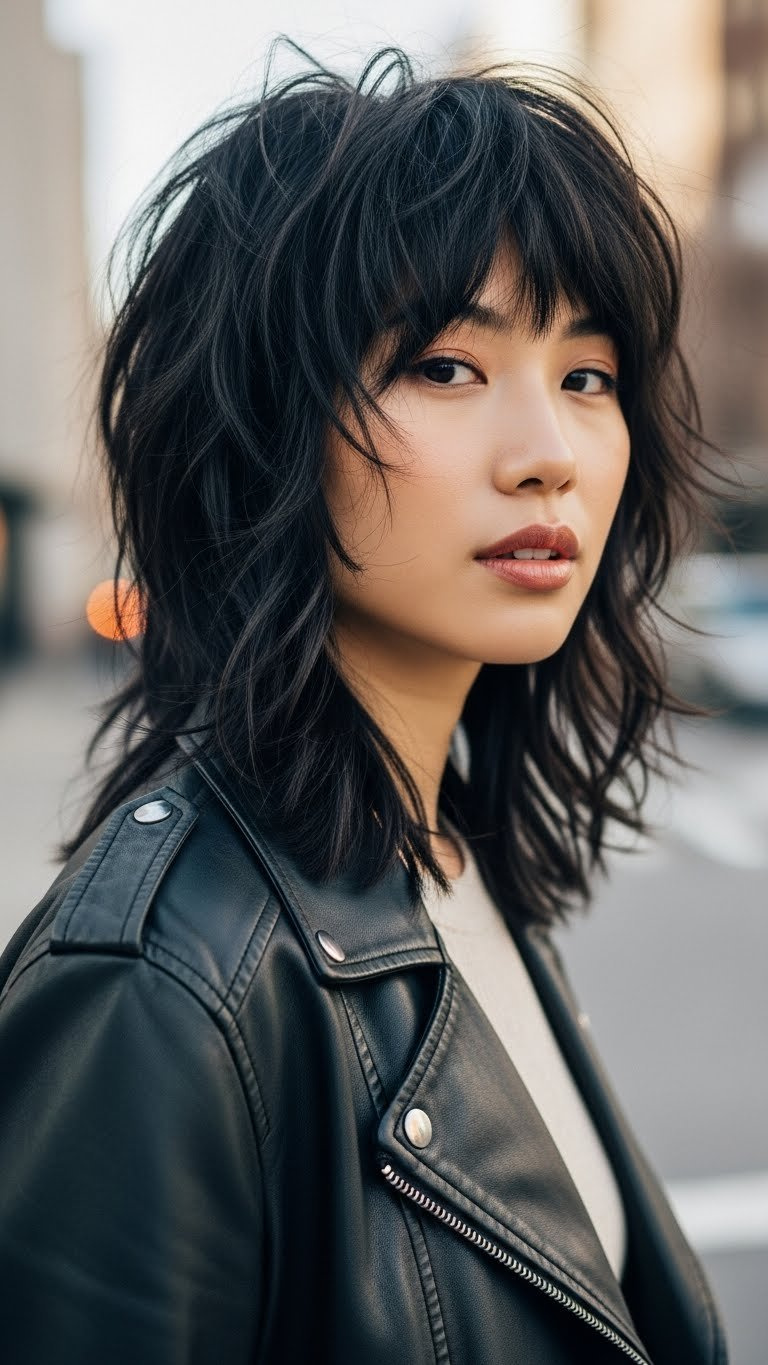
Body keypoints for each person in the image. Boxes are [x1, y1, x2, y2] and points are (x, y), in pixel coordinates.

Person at [0, 41, 728, 1364]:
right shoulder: (159, 994)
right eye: (447, 365)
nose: (549, 455)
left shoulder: (444, 852)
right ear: (272, 421)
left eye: (588, 375)